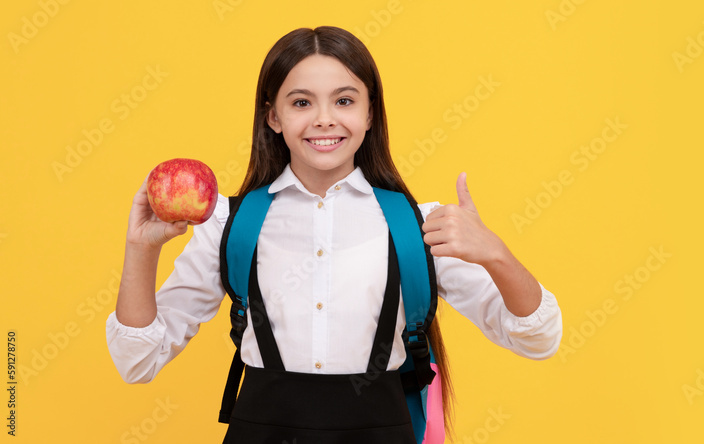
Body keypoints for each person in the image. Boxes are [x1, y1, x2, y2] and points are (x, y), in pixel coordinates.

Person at [105, 26, 562, 443]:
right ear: (274, 117)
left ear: (369, 114)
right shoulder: (230, 222)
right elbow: (138, 362)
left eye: (344, 101)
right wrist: (141, 250)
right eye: (301, 102)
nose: (324, 119)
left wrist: (495, 254)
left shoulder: (420, 225)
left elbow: (538, 340)